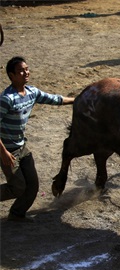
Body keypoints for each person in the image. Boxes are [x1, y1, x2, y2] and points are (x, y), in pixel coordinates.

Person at [0, 57, 74, 222]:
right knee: (18, 188)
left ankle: (17, 214)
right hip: (6, 150)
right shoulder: (6, 99)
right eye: (21, 70)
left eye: (27, 69)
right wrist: (3, 152)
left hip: (22, 147)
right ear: (11, 75)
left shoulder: (32, 92)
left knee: (32, 186)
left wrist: (78, 100)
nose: (26, 73)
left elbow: (55, 99)